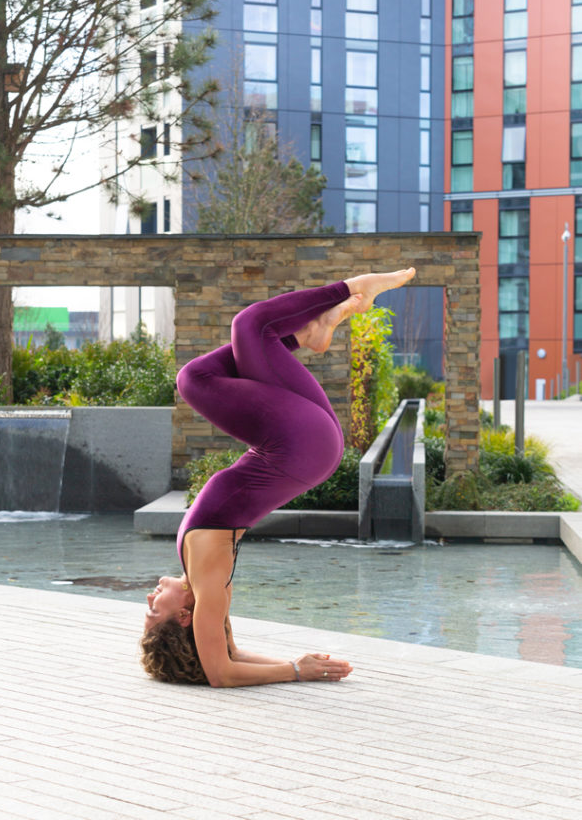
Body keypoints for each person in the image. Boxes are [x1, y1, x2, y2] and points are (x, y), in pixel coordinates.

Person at [141, 268, 415, 687]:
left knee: (213, 367)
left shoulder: (201, 578)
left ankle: (311, 334)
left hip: (304, 446)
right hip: (298, 444)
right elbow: (219, 671)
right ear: (183, 615)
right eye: (152, 609)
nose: (149, 596)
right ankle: (351, 289)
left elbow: (231, 654)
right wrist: (296, 671)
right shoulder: (208, 583)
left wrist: (291, 664)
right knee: (243, 332)